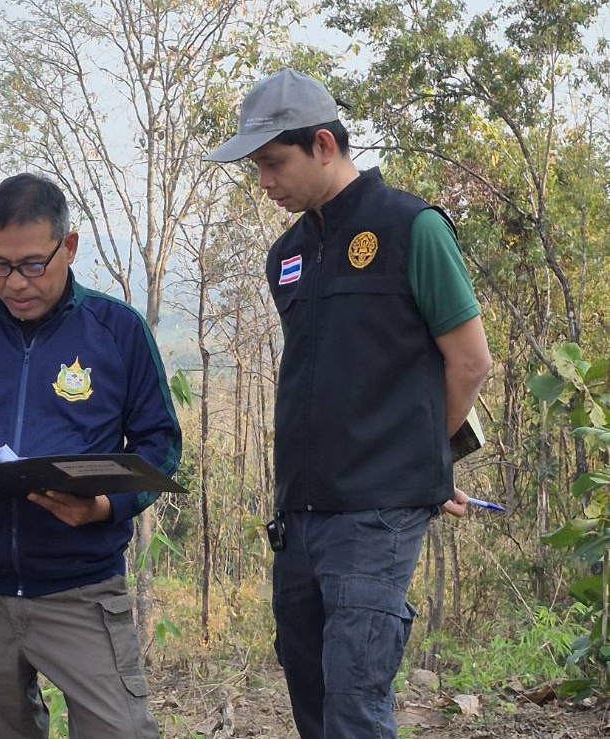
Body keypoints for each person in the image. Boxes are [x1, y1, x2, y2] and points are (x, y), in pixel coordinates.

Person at [205, 69, 492, 739]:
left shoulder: (411, 227)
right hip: (300, 517)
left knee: (355, 709)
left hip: (375, 517)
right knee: (314, 700)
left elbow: (470, 361)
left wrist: (422, 462)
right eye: (257, 167)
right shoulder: (288, 255)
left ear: (325, 145)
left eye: (275, 163)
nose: (265, 182)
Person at [0, 173, 182, 739]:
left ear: (67, 247)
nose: (13, 283)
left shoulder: (116, 330)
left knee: (121, 730)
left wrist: (104, 507)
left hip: (81, 583)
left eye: (31, 264)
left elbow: (160, 446)